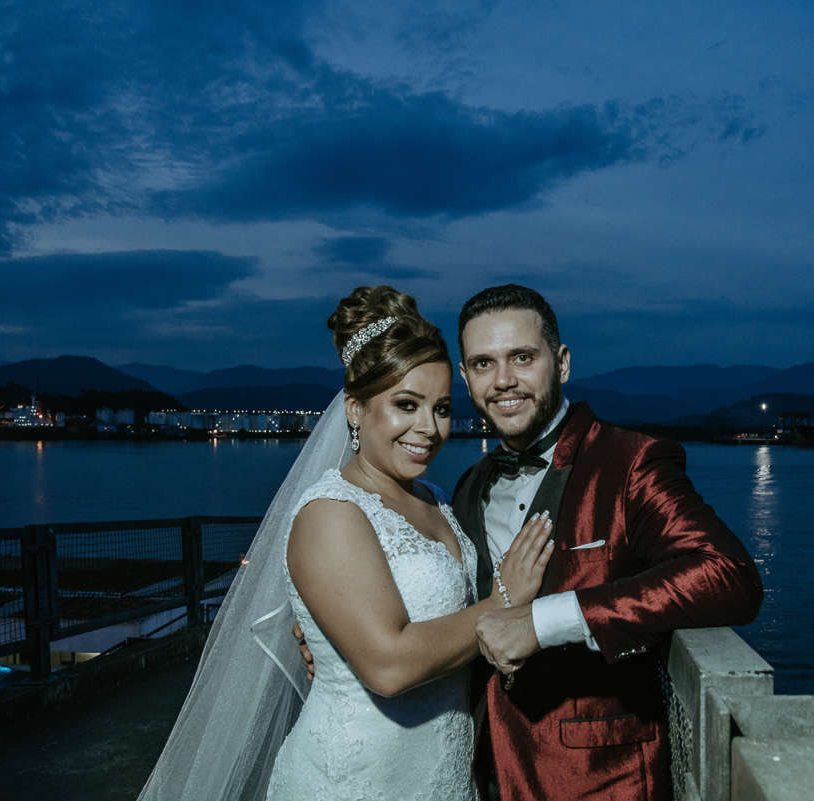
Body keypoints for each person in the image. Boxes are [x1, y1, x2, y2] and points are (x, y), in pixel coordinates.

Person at [138, 286, 553, 801]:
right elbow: (387, 665)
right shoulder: (330, 513)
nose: (429, 428)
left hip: (443, 773)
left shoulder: (441, 501)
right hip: (355, 780)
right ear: (355, 409)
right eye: (406, 405)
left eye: (442, 407)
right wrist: (504, 603)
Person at [452, 285, 765, 800]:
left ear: (562, 362)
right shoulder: (470, 485)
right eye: (483, 364)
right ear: (465, 378)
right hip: (483, 774)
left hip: (601, 782)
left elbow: (729, 574)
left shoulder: (631, 463)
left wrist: (546, 620)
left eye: (522, 358)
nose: (503, 380)